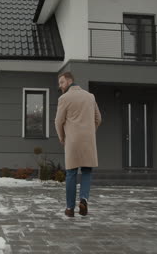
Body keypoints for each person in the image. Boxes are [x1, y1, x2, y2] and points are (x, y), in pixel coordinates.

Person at [55, 72, 101, 217]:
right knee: (87, 171)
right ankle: (84, 199)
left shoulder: (64, 98)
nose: (60, 86)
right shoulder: (90, 96)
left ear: (69, 81)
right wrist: (89, 132)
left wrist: (62, 137)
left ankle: (69, 209)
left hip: (72, 141)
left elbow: (58, 121)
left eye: (61, 82)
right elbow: (98, 119)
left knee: (71, 173)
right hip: (88, 140)